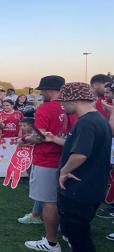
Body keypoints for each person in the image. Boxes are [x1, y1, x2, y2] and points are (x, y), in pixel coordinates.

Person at [46, 82, 111, 251]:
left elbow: (80, 154)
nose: (61, 104)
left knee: (78, 237)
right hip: (92, 187)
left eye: (63, 101)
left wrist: (64, 171)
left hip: (79, 189)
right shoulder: (98, 119)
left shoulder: (86, 122)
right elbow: (78, 145)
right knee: (79, 234)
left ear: (74, 100)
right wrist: (54, 139)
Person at [24, 75, 68, 251]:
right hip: (67, 160)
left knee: (49, 202)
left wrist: (25, 138)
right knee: (61, 200)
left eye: (42, 90)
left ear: (49, 90)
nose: (41, 93)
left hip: (47, 160)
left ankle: (51, 242)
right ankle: (66, 233)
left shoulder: (46, 108)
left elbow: (40, 137)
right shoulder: (73, 108)